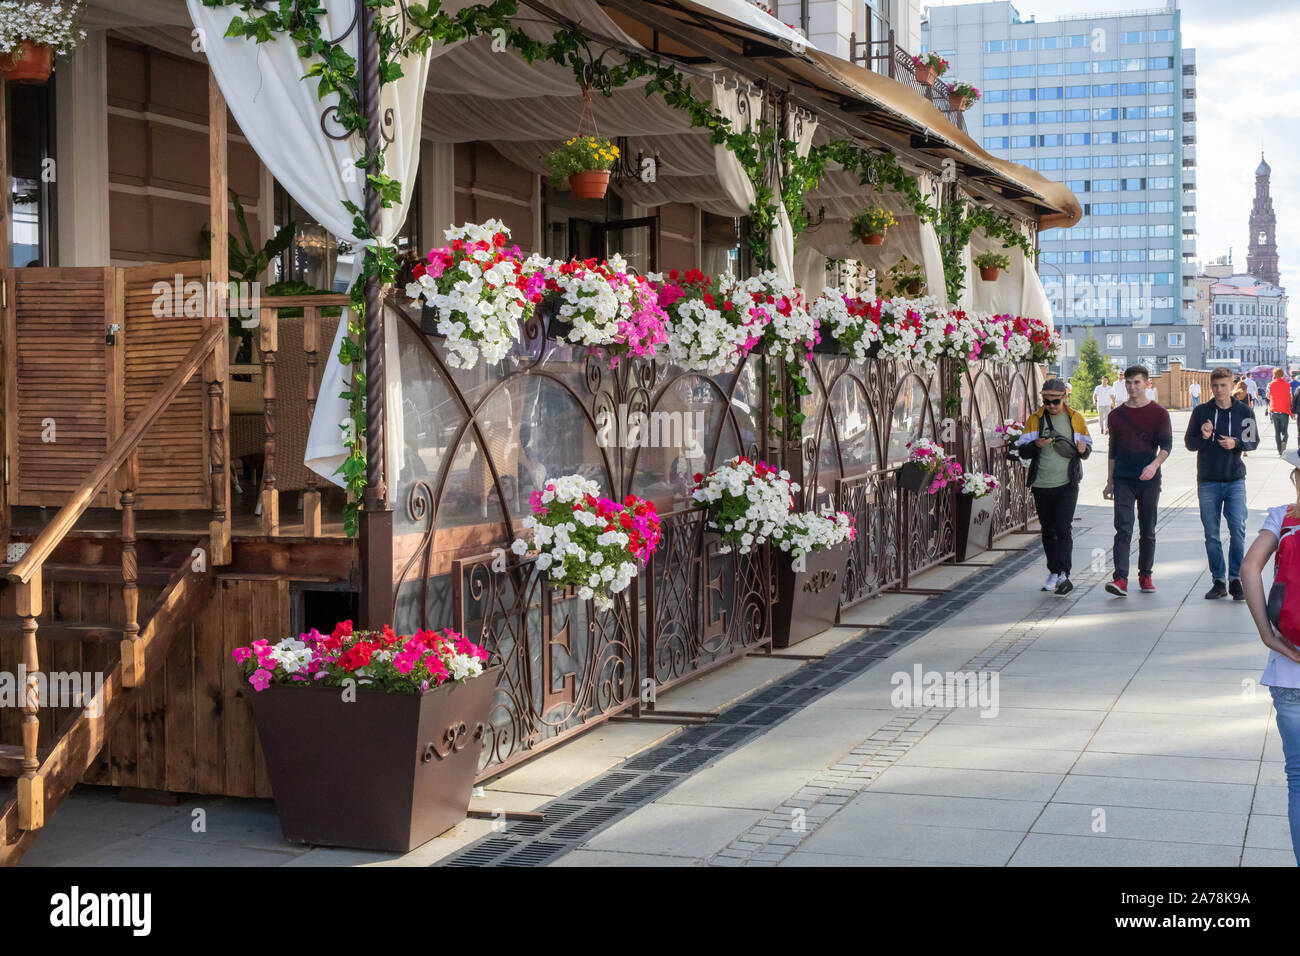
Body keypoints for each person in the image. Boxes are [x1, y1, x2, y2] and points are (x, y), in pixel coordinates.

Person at [1239, 448, 1300, 866]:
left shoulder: (1282, 515)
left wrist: (1267, 634)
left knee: (1298, 780)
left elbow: (1248, 569)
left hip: (1288, 668)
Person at [1185, 367, 1258, 600]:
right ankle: (1218, 580)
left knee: (1238, 529)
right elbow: (1189, 443)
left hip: (1235, 479)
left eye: (1223, 385)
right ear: (1211, 387)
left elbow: (1252, 441)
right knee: (1212, 534)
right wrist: (1204, 437)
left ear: (1232, 386)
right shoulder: (1201, 411)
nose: (1219, 390)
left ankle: (1235, 579)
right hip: (1207, 480)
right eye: (1215, 386)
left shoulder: (1244, 411)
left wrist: (1235, 443)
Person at [1017, 377, 1093, 596]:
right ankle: (1054, 571)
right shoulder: (1035, 419)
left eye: (1055, 402)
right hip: (1041, 484)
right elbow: (1022, 451)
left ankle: (1064, 574)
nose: (1050, 406)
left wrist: (1082, 450)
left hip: (1067, 482)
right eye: (1046, 401)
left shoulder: (1075, 419)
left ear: (1065, 399)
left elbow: (1086, 451)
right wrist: (1036, 445)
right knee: (1048, 530)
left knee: (1063, 527)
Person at [1104, 365, 1173, 596]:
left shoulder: (1159, 413)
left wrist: (1154, 466)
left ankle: (1145, 574)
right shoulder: (1116, 415)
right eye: (1129, 383)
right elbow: (1112, 450)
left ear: (1146, 384)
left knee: (1147, 529)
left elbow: (1167, 446)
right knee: (1123, 527)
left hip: (1149, 479)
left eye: (1137, 382)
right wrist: (1110, 481)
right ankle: (1120, 579)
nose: (1132, 387)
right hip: (1123, 478)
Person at [1271, 367, 1295, 455]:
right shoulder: (1288, 385)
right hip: (1284, 410)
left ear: (1274, 375)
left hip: (1274, 410)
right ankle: (1284, 441)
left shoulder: (1271, 384)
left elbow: (1268, 396)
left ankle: (1279, 450)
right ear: (1283, 375)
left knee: (1277, 432)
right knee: (1285, 432)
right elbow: (1291, 397)